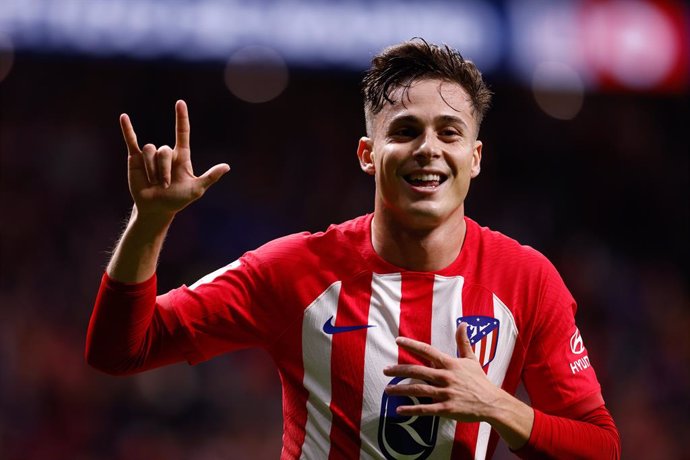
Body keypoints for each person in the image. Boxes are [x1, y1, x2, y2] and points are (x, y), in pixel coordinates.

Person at [86, 39, 620, 459]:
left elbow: (600, 447)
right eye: (405, 131)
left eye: (449, 132)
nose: (428, 148)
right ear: (368, 153)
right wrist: (149, 223)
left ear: (474, 157)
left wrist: (498, 406)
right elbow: (119, 350)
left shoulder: (526, 280)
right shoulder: (293, 270)